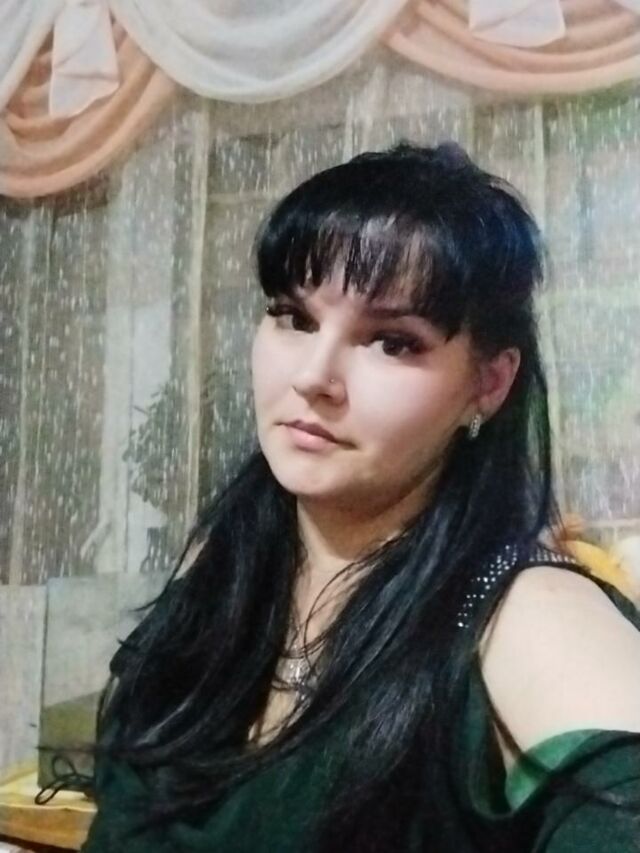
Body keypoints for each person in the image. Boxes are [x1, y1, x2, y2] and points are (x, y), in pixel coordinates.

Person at [81, 143, 640, 852]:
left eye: (393, 342)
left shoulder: (526, 617)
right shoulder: (225, 560)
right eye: (294, 317)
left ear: (489, 383)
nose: (314, 376)